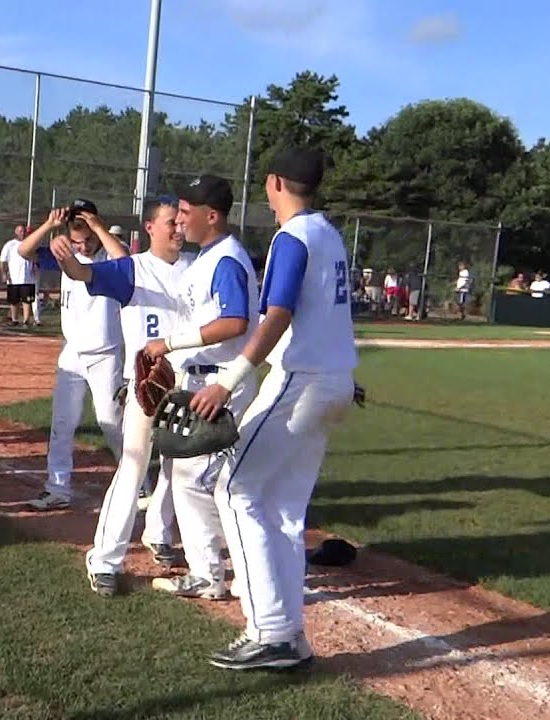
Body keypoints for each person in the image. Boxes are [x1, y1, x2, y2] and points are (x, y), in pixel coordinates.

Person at [190, 147, 357, 670]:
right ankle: (289, 635)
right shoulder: (329, 233)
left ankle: (269, 632)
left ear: (275, 182)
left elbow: (279, 313)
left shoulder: (293, 236)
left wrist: (228, 379)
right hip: (333, 381)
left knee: (234, 489)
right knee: (283, 510)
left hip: (300, 381)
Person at [47, 197, 193, 596]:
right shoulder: (132, 268)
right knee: (132, 466)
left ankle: (160, 532)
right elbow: (84, 274)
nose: (179, 228)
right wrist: (67, 262)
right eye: (170, 222)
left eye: (182, 222)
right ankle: (105, 559)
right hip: (147, 387)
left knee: (180, 468)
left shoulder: (198, 269)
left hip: (187, 386)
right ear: (150, 227)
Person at [140, 175, 259, 601]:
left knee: (199, 478)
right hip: (203, 377)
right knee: (194, 476)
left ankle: (214, 575)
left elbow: (235, 322)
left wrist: (169, 344)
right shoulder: (209, 257)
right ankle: (223, 570)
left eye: (187, 214)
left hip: (220, 381)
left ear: (213, 216)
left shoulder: (225, 259)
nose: (180, 222)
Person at [16, 208, 127, 511]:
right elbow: (24, 250)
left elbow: (125, 260)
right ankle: (57, 488)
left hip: (106, 353)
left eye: (87, 240)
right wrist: (50, 225)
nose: (83, 247)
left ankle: (137, 485)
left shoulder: (109, 255)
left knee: (112, 423)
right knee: (62, 423)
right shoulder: (65, 254)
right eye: (77, 241)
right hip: (73, 353)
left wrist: (97, 226)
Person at [0, 224, 37, 327]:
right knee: (14, 301)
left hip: (28, 278)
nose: (22, 233)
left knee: (27, 300)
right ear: (16, 232)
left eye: (24, 231)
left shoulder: (30, 243)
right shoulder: (10, 245)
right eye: (20, 231)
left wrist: (34, 267)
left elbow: (35, 258)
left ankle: (26, 320)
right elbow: (3, 260)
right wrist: (4, 273)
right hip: (14, 278)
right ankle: (14, 319)